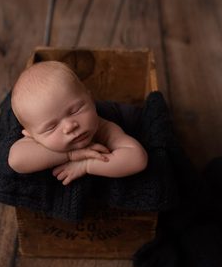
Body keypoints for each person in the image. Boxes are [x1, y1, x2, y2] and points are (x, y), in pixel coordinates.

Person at [8, 60, 148, 186]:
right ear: (30, 134)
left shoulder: (103, 128)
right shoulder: (33, 141)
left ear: (91, 99)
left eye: (75, 111)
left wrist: (86, 164)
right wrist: (70, 155)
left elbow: (137, 159)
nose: (69, 126)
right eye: (51, 127)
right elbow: (16, 160)